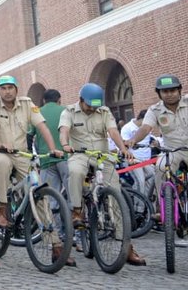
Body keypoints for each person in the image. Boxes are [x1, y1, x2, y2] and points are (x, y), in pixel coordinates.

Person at [0, 75, 71, 265]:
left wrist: (52, 148)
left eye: (10, 87)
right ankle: (1, 209)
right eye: (3, 88)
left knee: (39, 193)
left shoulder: (27, 104)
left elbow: (42, 126)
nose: (7, 91)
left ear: (17, 89)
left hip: (22, 154)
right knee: (2, 164)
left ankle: (55, 245)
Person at [59, 82, 146, 266]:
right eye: (89, 104)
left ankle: (127, 248)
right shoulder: (69, 111)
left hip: (102, 156)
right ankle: (76, 210)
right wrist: (65, 145)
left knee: (116, 197)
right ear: (81, 100)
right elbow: (64, 131)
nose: (92, 108)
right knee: (75, 172)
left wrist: (123, 149)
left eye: (95, 105)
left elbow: (113, 131)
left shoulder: (104, 111)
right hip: (80, 155)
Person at [126, 75, 188, 217]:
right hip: (172, 151)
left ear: (179, 90)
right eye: (165, 91)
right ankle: (164, 206)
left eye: (173, 90)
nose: (169, 94)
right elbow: (146, 128)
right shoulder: (154, 110)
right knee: (160, 167)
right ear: (159, 93)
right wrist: (133, 140)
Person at [120, 109, 155, 198]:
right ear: (141, 118)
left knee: (153, 177)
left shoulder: (148, 128)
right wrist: (128, 157)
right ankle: (138, 209)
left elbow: (151, 138)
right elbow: (123, 145)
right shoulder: (127, 128)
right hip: (134, 161)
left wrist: (155, 142)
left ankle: (147, 204)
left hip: (147, 161)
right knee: (141, 181)